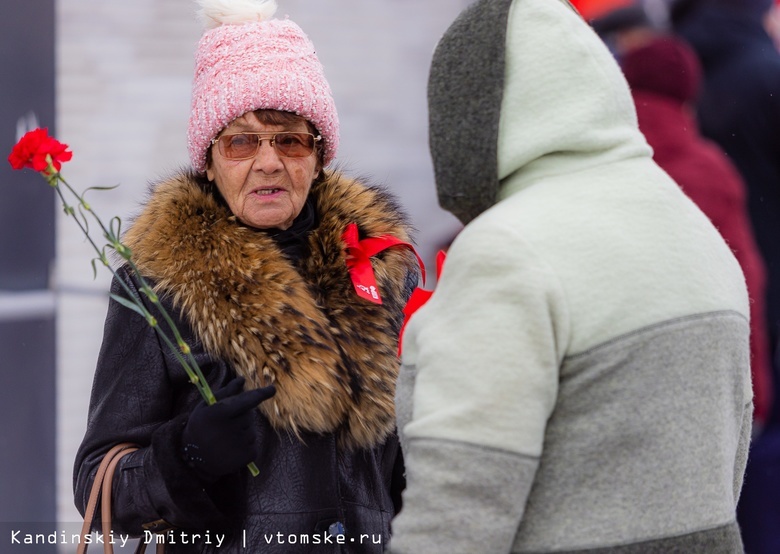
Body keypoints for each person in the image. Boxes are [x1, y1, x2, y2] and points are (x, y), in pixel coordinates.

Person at [389, 0, 752, 552]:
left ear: (466, 115)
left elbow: (458, 511)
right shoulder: (694, 231)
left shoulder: (507, 252)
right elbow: (730, 463)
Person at [73, 0, 419, 551]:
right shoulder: (159, 286)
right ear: (208, 161)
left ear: (319, 154)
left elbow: (407, 473)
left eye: (290, 139)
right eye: (241, 141)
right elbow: (95, 481)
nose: (268, 161)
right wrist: (185, 454)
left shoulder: (377, 271)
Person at [620, 35, 773, 426]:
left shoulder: (601, 159)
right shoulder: (707, 171)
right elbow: (741, 280)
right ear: (689, 93)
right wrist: (753, 391)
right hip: (696, 380)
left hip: (617, 376)